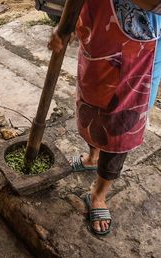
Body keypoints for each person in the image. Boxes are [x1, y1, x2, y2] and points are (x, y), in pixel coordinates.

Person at [48, 0, 161, 236]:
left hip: (140, 52)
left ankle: (98, 193)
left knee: (120, 129)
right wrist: (65, 26)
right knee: (90, 108)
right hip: (97, 42)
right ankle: (92, 157)